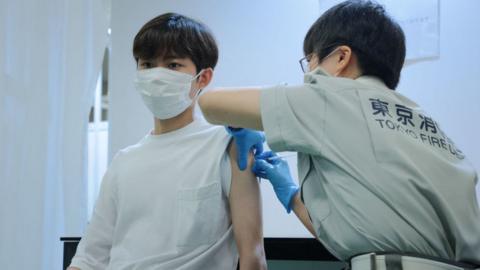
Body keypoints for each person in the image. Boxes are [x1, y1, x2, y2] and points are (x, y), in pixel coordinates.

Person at [198, 1, 480, 269]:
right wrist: (292, 195)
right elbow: (361, 239)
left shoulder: (332, 98)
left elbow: (211, 104)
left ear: (341, 57)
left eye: (310, 60)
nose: (307, 72)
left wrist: (244, 121)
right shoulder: (424, 121)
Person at [68, 13, 266, 270]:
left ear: (203, 78)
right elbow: (88, 258)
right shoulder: (124, 162)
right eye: (147, 65)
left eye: (172, 65)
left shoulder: (227, 147)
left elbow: (253, 257)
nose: (157, 75)